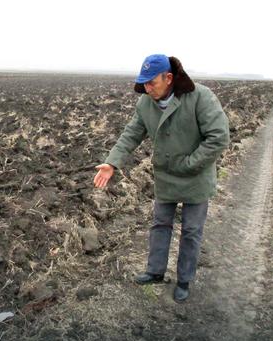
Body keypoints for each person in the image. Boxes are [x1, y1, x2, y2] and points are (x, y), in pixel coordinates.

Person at [94, 54, 230, 302]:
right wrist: (112, 162)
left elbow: (219, 137)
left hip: (196, 177)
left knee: (191, 230)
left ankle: (184, 280)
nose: (147, 88)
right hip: (166, 176)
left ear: (168, 78)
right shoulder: (145, 103)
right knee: (160, 224)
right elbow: (131, 134)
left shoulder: (200, 97)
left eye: (151, 83)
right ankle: (155, 271)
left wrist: (190, 164)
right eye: (143, 83)